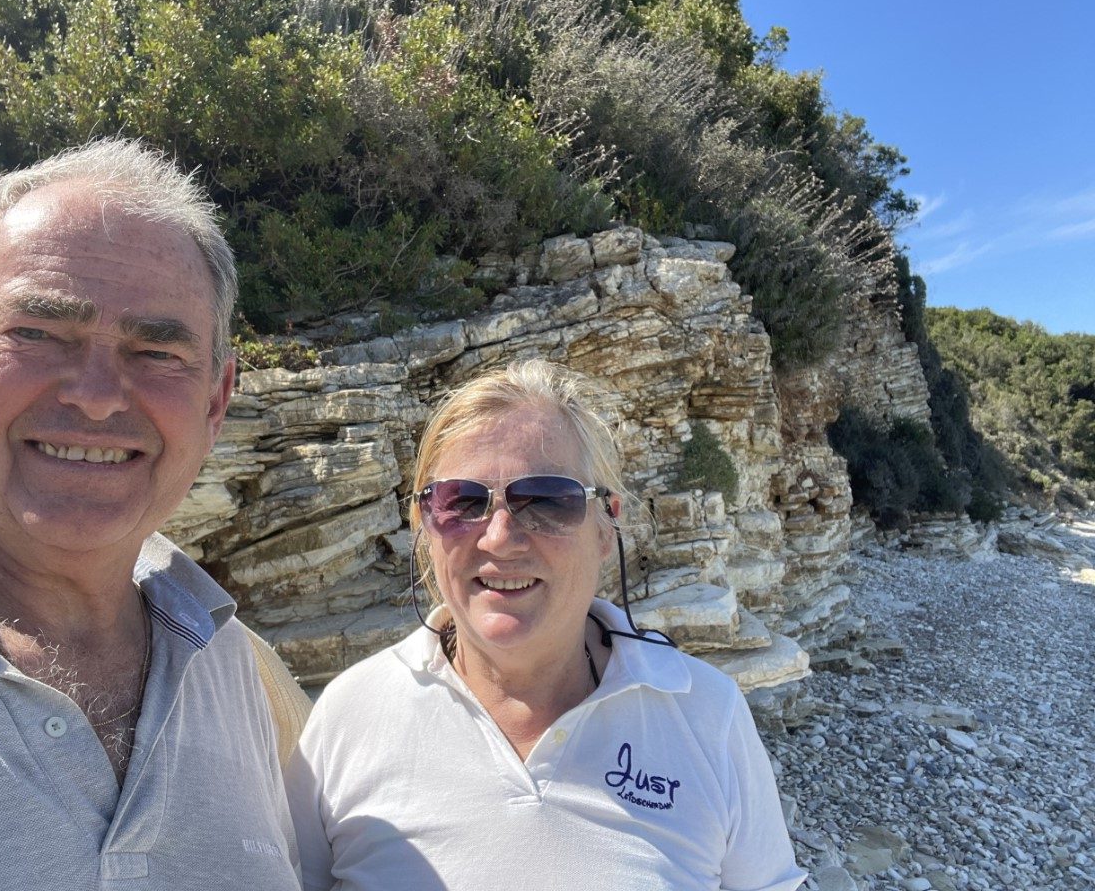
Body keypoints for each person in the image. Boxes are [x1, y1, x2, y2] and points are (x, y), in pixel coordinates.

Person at [0, 138, 303, 890]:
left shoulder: (237, 672)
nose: (97, 396)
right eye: (37, 333)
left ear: (215, 403)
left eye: (156, 352)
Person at [285, 359, 806, 891]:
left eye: (546, 501)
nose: (498, 538)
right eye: (461, 502)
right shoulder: (352, 716)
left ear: (606, 525)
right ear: (425, 523)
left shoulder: (705, 715)